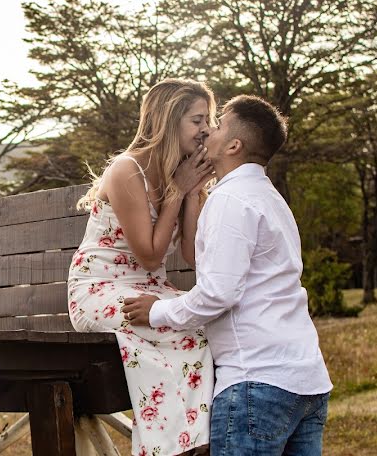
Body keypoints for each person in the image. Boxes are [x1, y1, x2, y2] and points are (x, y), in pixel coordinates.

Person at [123, 95, 333, 456]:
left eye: (218, 125)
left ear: (234, 145)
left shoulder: (230, 201)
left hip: (257, 384)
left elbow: (217, 294)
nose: (208, 131)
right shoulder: (270, 198)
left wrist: (156, 312)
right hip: (307, 382)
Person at [68, 78, 216, 456]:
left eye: (209, 120)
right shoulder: (126, 169)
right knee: (174, 327)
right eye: (198, 120)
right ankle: (173, 447)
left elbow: (190, 254)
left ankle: (196, 443)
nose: (207, 130)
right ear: (169, 120)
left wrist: (194, 191)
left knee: (207, 324)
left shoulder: (179, 172)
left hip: (150, 289)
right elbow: (150, 255)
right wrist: (178, 191)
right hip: (100, 289)